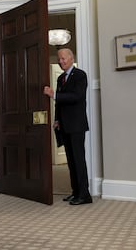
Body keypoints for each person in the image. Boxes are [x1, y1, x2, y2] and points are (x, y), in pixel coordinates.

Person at [43, 48, 92, 205]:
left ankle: (85, 195)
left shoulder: (80, 75)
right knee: (70, 161)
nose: (61, 61)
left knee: (78, 160)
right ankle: (75, 192)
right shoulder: (61, 78)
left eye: (63, 58)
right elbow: (59, 103)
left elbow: (77, 97)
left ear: (71, 58)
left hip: (77, 125)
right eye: (59, 59)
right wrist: (57, 119)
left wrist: (53, 95)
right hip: (64, 124)